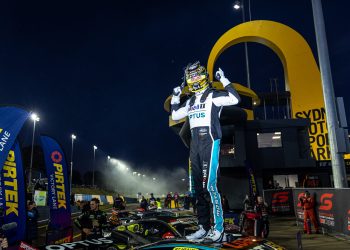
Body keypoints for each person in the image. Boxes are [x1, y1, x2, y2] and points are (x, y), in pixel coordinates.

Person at [171, 62, 240, 242]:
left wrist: (224, 80)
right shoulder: (191, 100)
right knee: (198, 189)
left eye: (196, 76)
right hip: (195, 144)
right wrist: (175, 97)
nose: (193, 79)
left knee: (210, 186)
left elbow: (234, 99)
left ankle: (219, 229)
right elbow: (176, 115)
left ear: (203, 76)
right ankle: (203, 227)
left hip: (210, 141)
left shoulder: (213, 95)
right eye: (190, 77)